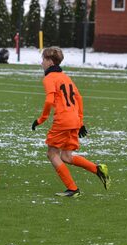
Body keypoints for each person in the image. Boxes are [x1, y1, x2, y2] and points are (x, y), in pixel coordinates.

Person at [32, 47, 110, 197]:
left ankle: (73, 189)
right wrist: (80, 122)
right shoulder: (66, 77)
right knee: (66, 156)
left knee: (52, 153)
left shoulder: (49, 78)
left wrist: (40, 120)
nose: (41, 63)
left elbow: (49, 100)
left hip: (63, 120)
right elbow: (79, 99)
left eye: (43, 60)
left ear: (49, 61)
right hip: (74, 119)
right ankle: (97, 169)